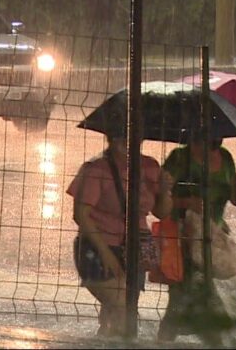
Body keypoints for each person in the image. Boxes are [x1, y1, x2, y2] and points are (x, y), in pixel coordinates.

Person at [66, 116, 173, 338]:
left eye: (131, 137)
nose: (125, 142)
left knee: (120, 310)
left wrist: (165, 191)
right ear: (110, 139)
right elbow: (81, 215)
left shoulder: (150, 167)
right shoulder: (96, 169)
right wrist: (105, 253)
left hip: (136, 247)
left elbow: (162, 212)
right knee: (122, 306)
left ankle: (104, 341)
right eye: (119, 137)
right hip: (98, 246)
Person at [157, 132, 236, 343]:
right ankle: (214, 338)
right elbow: (158, 199)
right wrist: (186, 203)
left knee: (182, 300)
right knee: (192, 295)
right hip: (183, 240)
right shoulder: (179, 158)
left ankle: (166, 340)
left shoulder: (225, 158)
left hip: (210, 239)